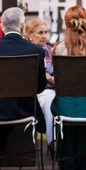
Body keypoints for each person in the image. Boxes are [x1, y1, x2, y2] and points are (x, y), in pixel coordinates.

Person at [0, 7, 46, 168]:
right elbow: (39, 87)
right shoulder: (36, 50)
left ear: (2, 25)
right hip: (26, 109)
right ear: (22, 25)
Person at [52, 5, 86, 170]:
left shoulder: (60, 49)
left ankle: (68, 160)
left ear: (67, 25)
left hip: (66, 108)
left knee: (57, 103)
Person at [23, 18, 56, 154]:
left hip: (48, 89)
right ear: (30, 35)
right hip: (32, 90)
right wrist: (45, 77)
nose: (44, 36)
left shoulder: (49, 50)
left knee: (52, 100)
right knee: (49, 100)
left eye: (45, 32)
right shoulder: (26, 50)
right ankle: (52, 143)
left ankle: (53, 143)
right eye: (40, 32)